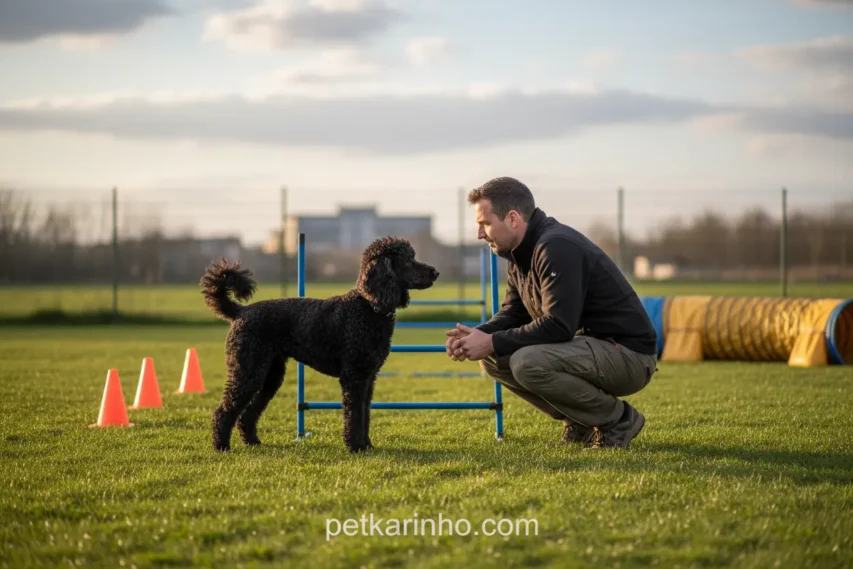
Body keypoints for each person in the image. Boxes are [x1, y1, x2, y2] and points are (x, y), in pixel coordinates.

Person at [445, 177, 658, 449]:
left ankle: (617, 421)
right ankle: (580, 423)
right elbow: (514, 313)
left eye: (485, 223)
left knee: (526, 361)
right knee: (492, 358)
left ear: (512, 218)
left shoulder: (556, 247)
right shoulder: (518, 253)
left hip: (629, 355)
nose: (479, 234)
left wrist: (491, 341)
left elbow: (558, 326)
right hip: (587, 348)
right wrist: (478, 336)